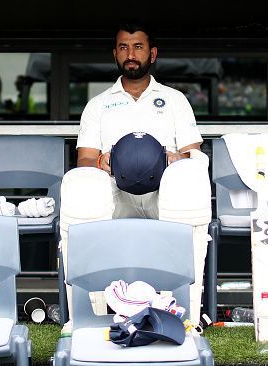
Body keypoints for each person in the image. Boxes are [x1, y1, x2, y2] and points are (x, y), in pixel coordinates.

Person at [59, 23, 211, 330]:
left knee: (189, 178)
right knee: (80, 186)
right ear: (115, 54)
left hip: (163, 193)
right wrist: (100, 162)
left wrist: (171, 158)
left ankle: (184, 311)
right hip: (115, 191)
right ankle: (88, 315)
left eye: (138, 47)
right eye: (124, 48)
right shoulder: (98, 104)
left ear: (152, 54)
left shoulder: (175, 100)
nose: (131, 54)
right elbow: (84, 159)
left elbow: (192, 155)